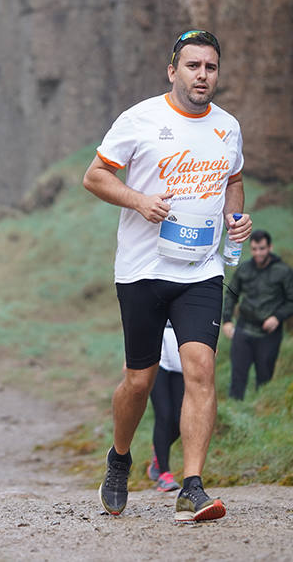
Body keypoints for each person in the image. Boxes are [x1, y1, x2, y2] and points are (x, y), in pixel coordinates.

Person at [83, 29, 251, 523]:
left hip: (201, 270)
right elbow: (94, 175)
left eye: (211, 68)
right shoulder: (140, 119)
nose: (203, 76)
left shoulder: (228, 127)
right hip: (142, 271)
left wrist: (234, 217)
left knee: (200, 368)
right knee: (139, 381)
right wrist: (139, 200)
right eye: (194, 66)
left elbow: (234, 180)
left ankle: (191, 486)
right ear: (172, 70)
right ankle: (119, 459)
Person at [221, 229, 293, 400]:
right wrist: (227, 320)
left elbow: (292, 300)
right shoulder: (244, 269)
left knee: (264, 377)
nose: (258, 253)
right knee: (237, 377)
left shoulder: (284, 272)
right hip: (243, 329)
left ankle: (262, 410)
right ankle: (234, 412)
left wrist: (277, 317)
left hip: (268, 333)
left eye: (262, 248)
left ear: (270, 247)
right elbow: (231, 294)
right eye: (255, 249)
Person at [146, 322, 183, 492]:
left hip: (182, 346)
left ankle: (158, 454)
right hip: (155, 344)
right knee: (164, 415)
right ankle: (164, 473)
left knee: (180, 419)